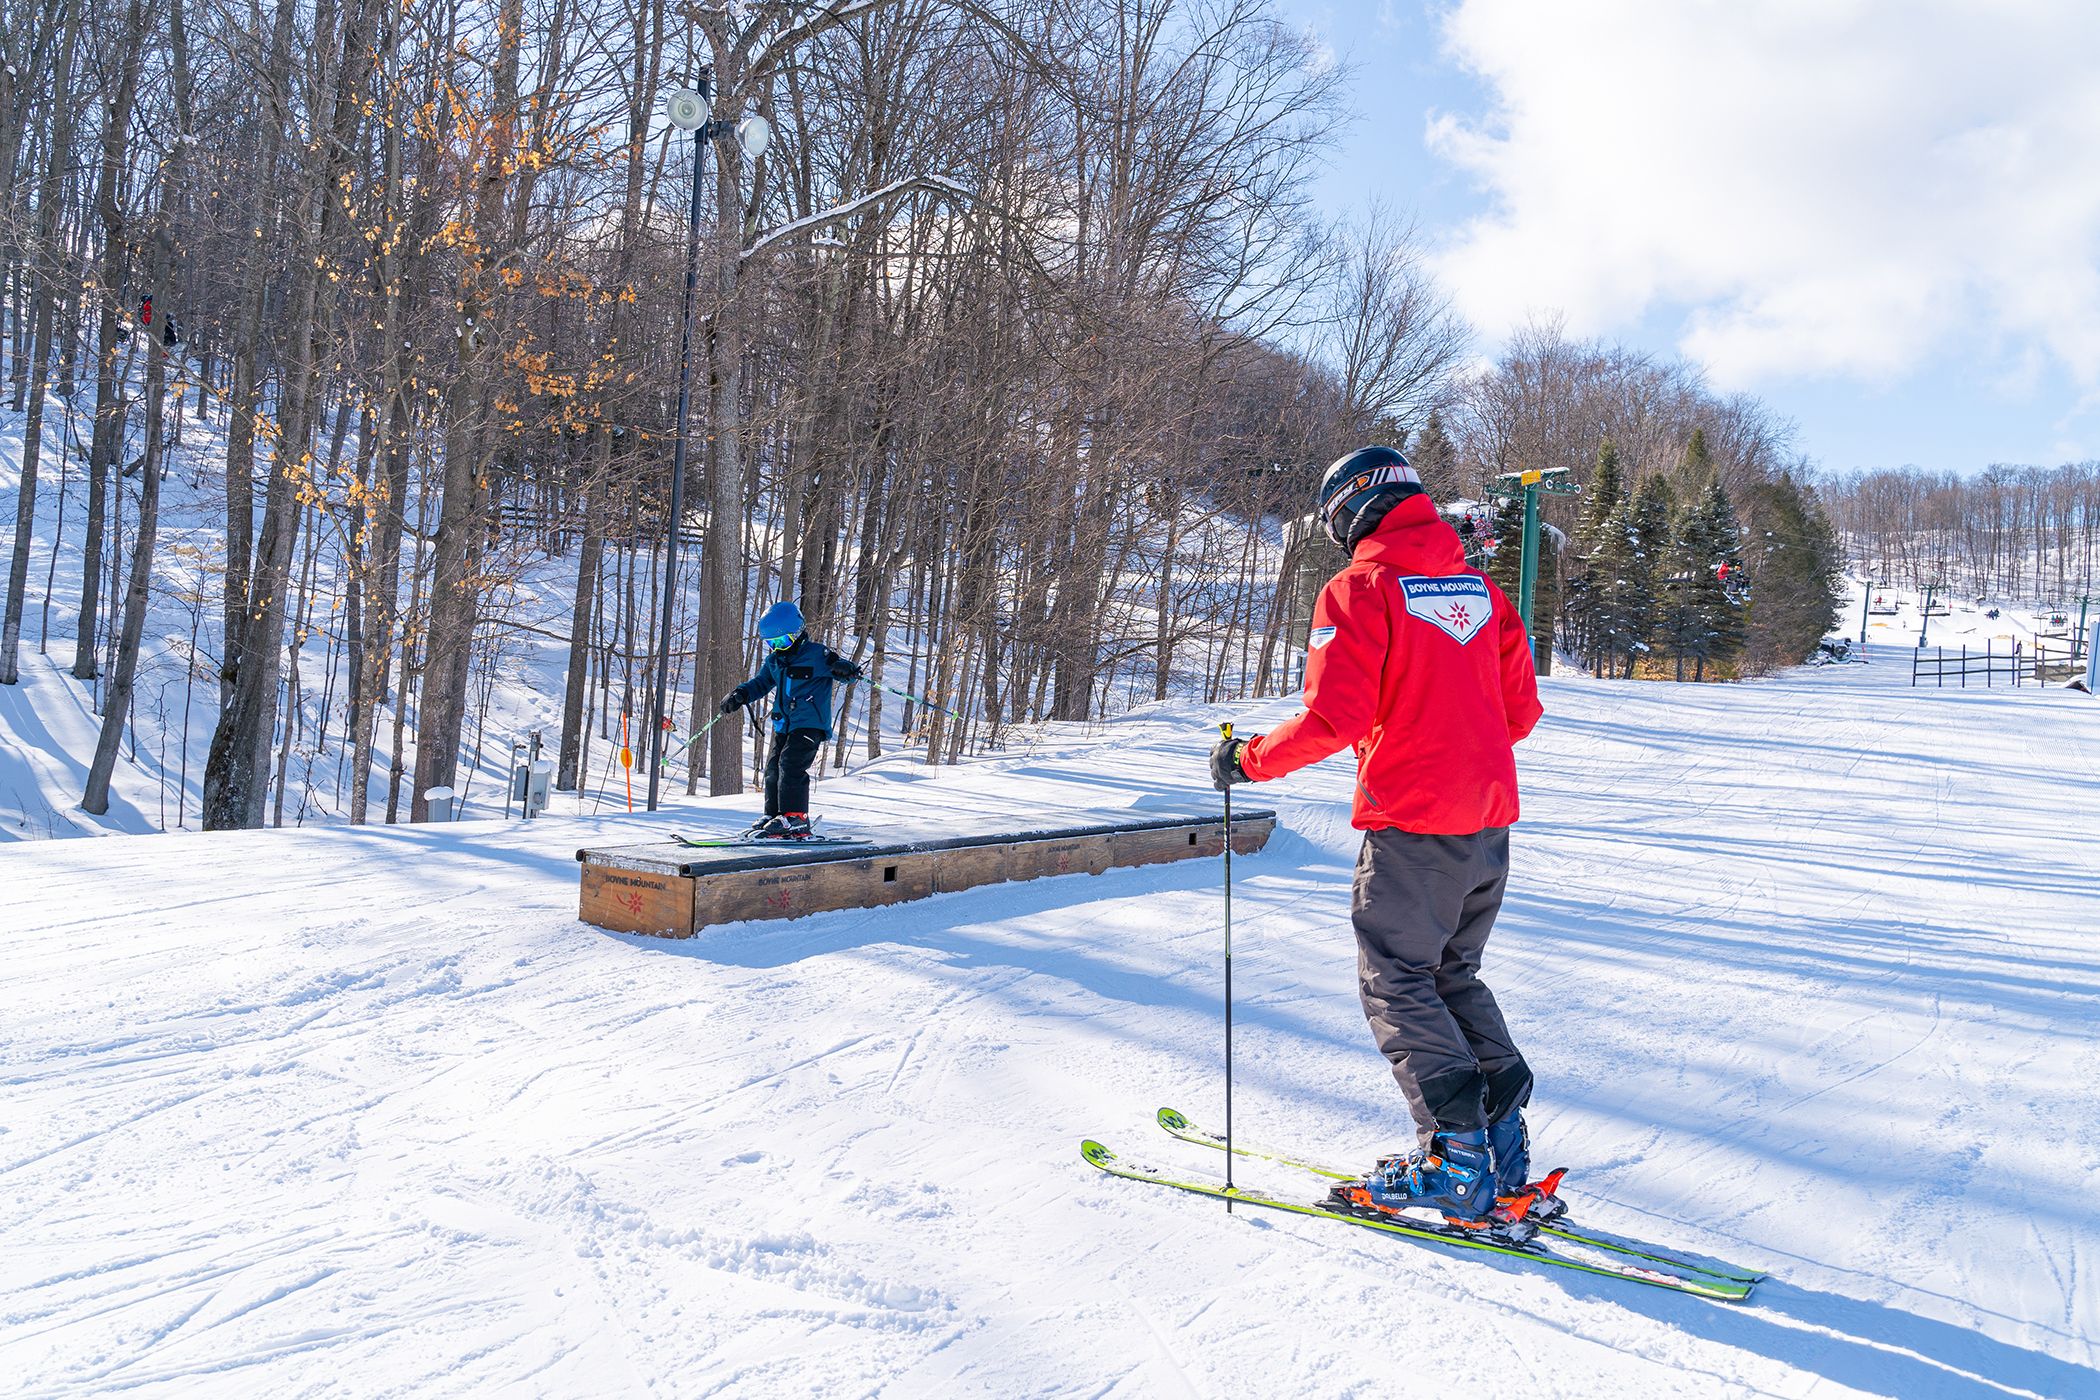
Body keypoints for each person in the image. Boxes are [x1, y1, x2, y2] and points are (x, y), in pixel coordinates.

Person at [1210, 446, 1552, 1242]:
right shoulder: (1480, 589)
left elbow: (1331, 719)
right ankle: (1499, 1151)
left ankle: (1455, 1162)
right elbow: (1520, 714)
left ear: (1350, 510)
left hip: (1413, 823)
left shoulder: (1361, 589)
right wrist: (1450, 737)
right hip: (1487, 822)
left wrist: (1247, 760)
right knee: (1451, 977)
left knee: (1398, 982)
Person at [720, 600, 862, 839]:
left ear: (797, 634)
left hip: (810, 723)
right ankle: (774, 815)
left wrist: (845, 669)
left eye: (783, 641)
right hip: (784, 724)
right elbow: (761, 683)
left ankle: (795, 817)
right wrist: (740, 694)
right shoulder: (775, 661)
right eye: (772, 643)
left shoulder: (818, 654)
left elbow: (845, 671)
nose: (778, 647)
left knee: (791, 764)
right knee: (773, 769)